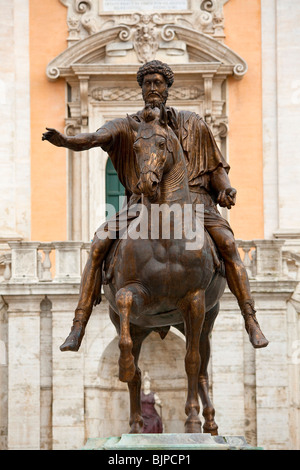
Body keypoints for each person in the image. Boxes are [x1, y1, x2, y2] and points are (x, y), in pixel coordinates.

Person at [42, 60, 268, 352]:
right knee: (98, 244)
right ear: (141, 89)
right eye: (147, 83)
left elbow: (215, 167)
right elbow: (97, 137)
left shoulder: (193, 123)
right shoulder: (129, 126)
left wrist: (224, 189)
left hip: (196, 203)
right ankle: (78, 325)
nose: (152, 88)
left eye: (158, 83)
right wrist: (67, 141)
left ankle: (250, 318)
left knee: (227, 243)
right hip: (142, 204)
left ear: (167, 87)